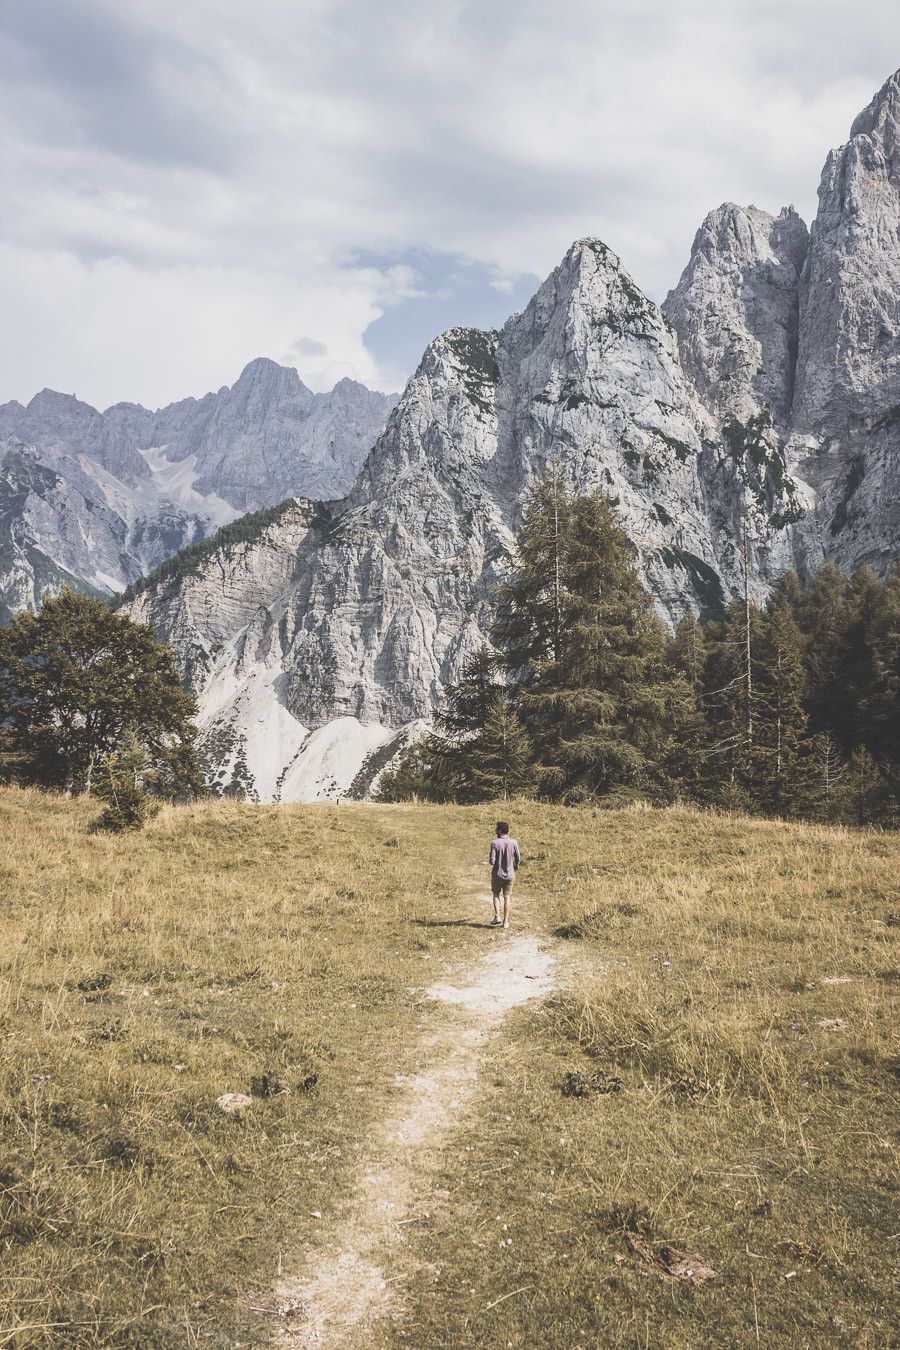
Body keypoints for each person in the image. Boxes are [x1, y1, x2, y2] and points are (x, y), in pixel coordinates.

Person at [489, 820, 520, 929]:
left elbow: (492, 861)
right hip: (510, 874)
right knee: (507, 896)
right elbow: (518, 858)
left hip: (497, 874)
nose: (495, 831)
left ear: (500, 831)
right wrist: (515, 865)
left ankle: (497, 915)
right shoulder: (514, 842)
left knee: (496, 894)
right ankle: (506, 921)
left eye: (496, 829)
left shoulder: (494, 843)